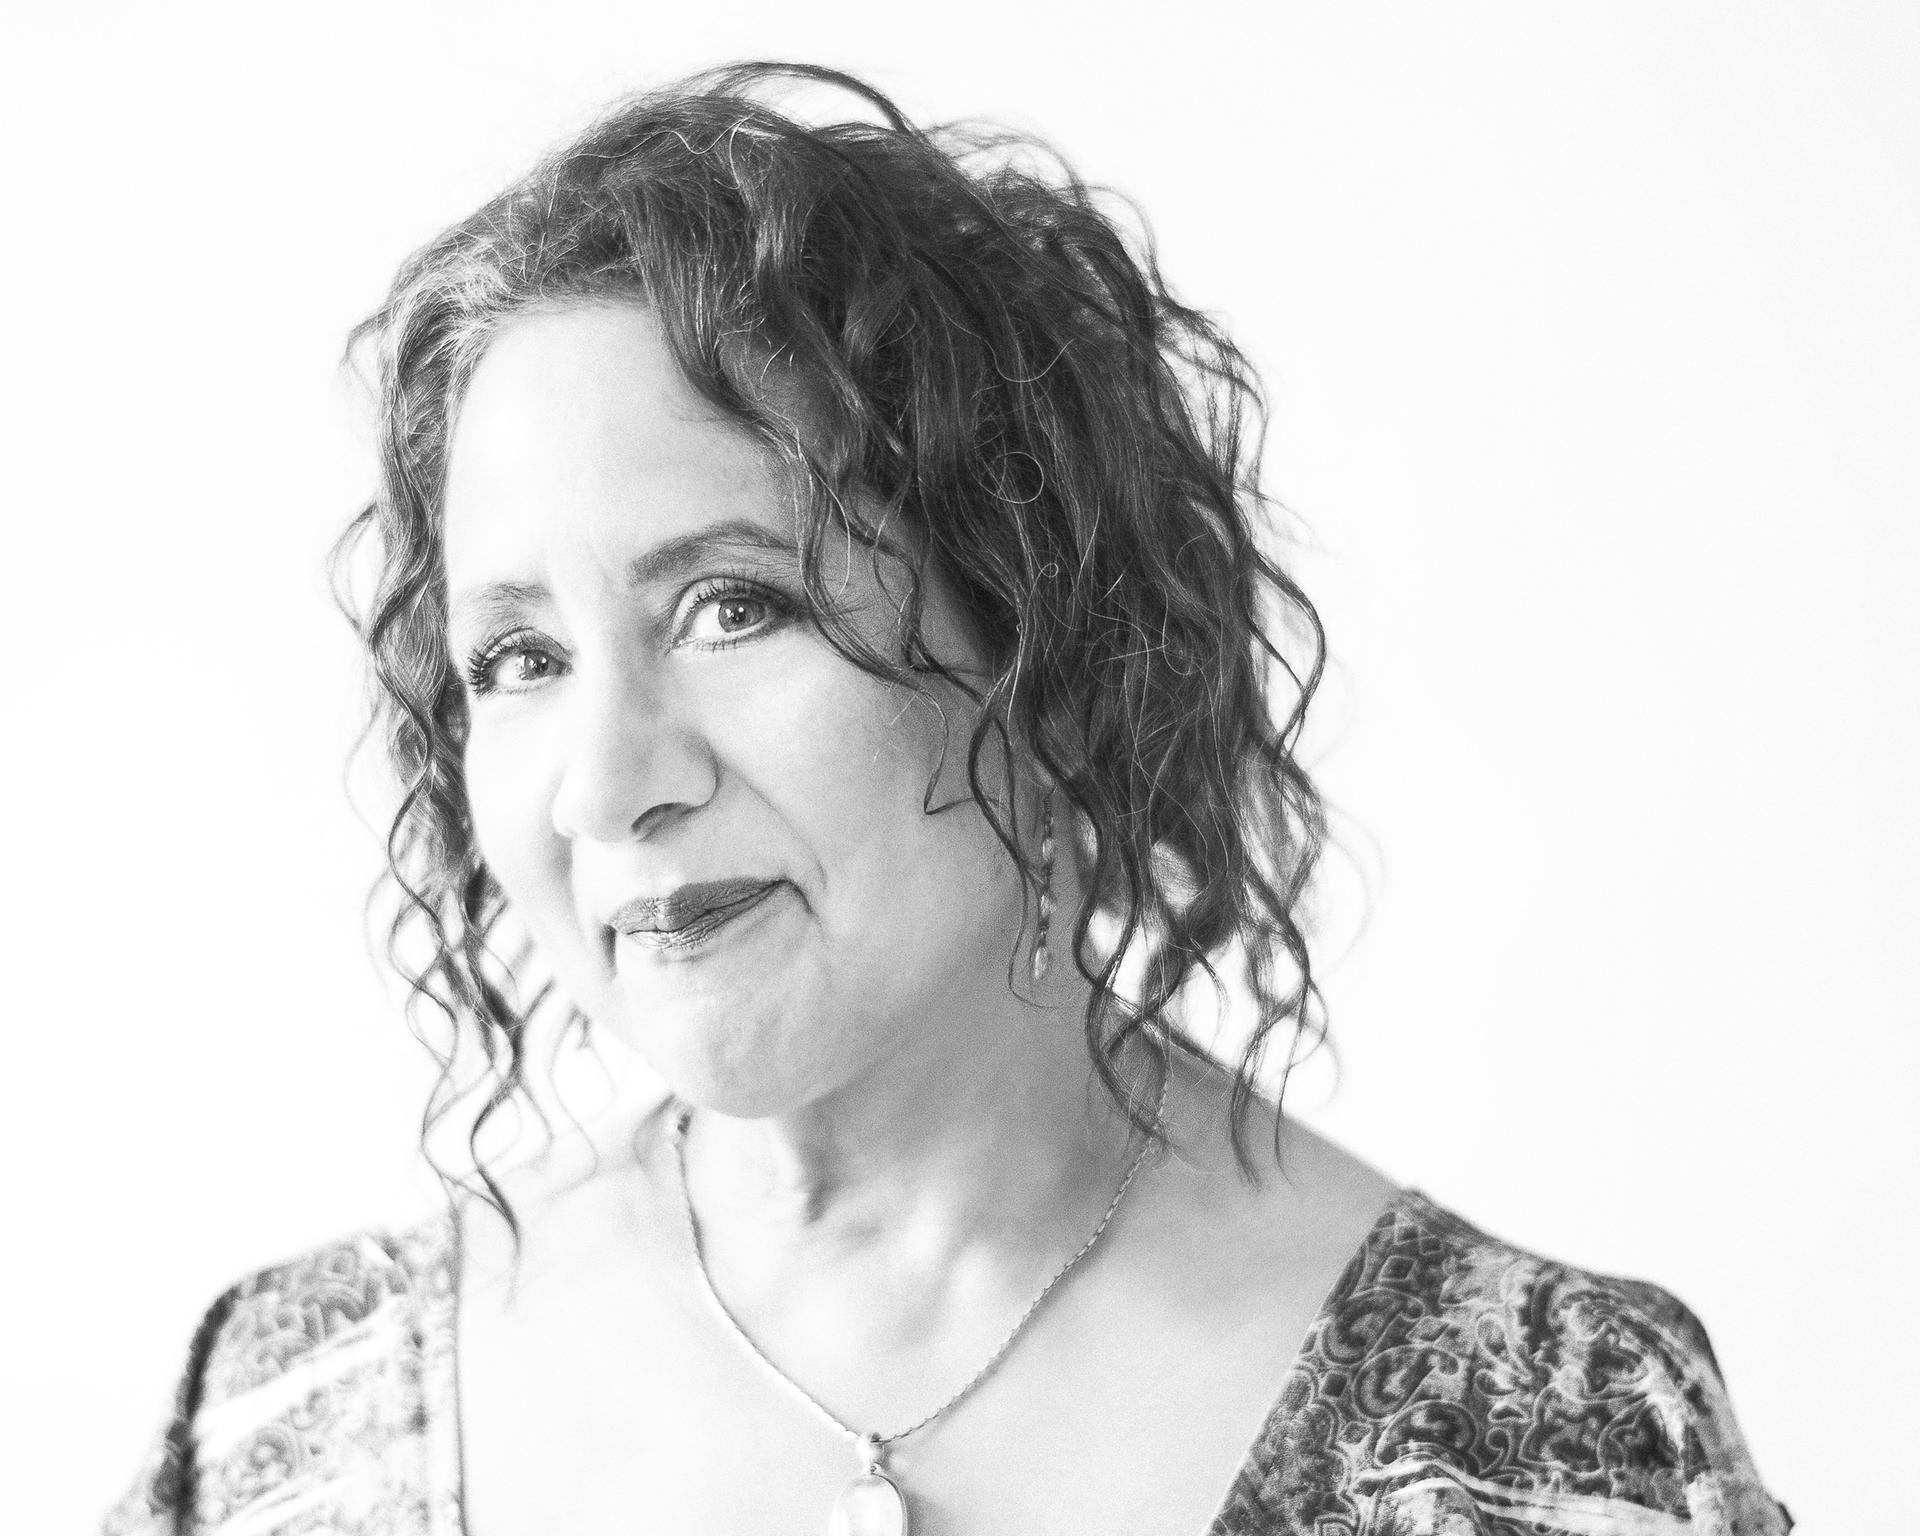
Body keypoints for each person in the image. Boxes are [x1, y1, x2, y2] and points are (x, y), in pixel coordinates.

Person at [104, 62, 1789, 1536]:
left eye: (735, 604)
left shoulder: (1538, 1440)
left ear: (1041, 635)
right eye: (519, 657)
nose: (607, 786)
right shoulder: (280, 1424)